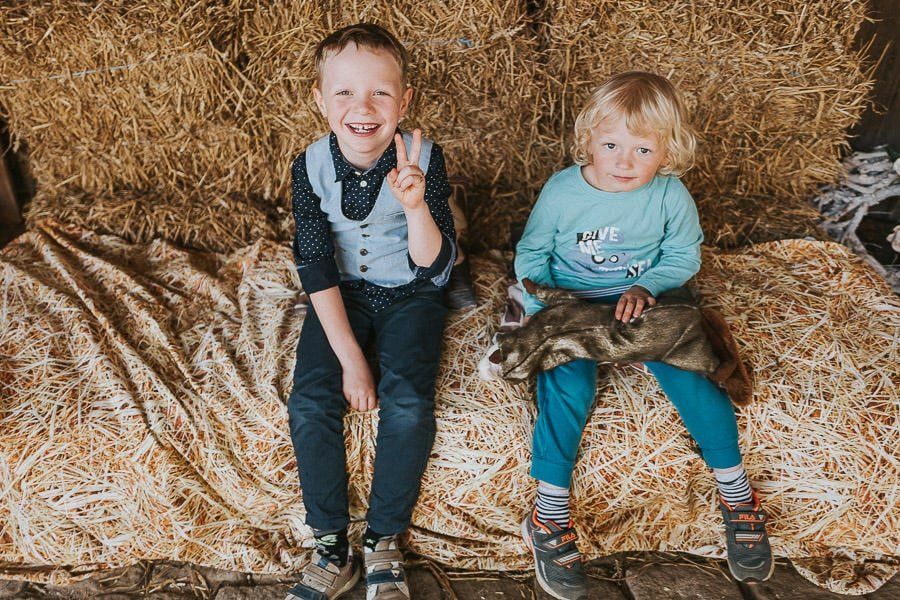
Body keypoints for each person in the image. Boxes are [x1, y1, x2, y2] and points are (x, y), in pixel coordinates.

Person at [514, 72, 773, 599]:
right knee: (569, 384)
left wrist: (648, 285)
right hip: (574, 303)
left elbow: (683, 257)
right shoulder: (563, 190)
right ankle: (548, 513)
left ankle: (736, 492)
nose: (625, 161)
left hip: (646, 301)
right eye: (611, 145)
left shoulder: (670, 196)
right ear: (588, 138)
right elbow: (531, 255)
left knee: (696, 371)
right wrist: (540, 313)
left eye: (642, 148)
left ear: (668, 150)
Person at [285, 23, 456, 600]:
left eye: (380, 93)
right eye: (344, 93)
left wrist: (414, 208)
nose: (362, 107)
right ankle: (331, 544)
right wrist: (352, 361)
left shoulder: (426, 159)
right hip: (342, 296)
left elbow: (435, 267)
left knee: (408, 400)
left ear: (403, 101)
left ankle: (383, 538)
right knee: (310, 399)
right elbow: (315, 266)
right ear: (319, 99)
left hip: (412, 293)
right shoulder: (307, 167)